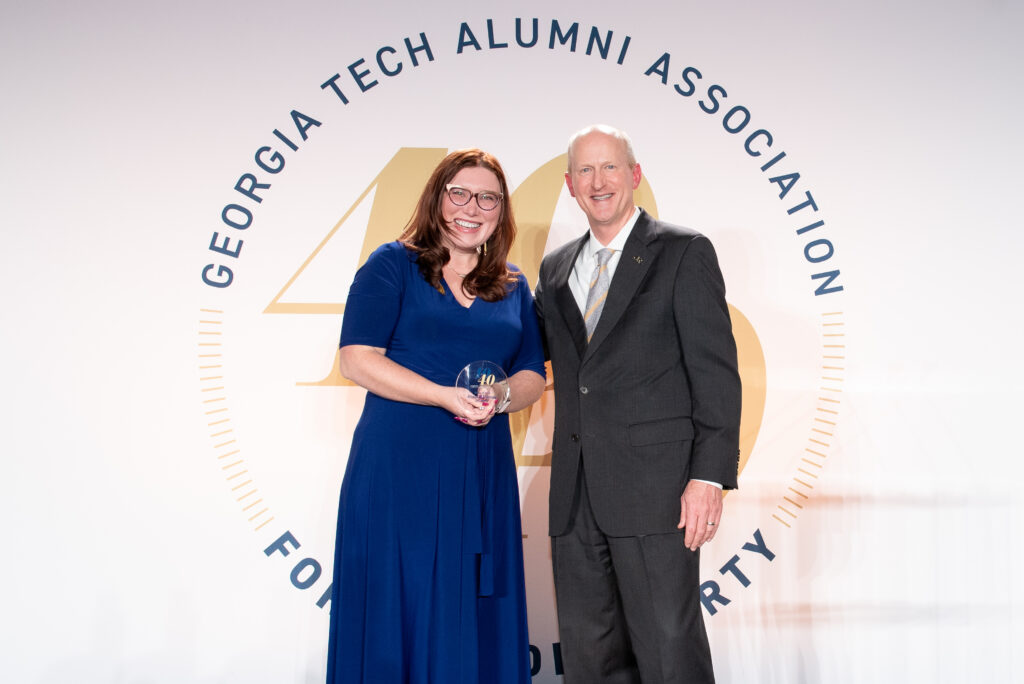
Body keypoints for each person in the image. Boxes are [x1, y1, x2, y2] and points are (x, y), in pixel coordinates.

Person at [326, 149, 547, 684]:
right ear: (437, 199)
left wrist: (501, 399)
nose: (473, 208)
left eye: (488, 197)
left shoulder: (514, 284)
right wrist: (444, 396)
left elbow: (533, 374)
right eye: (460, 194)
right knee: (399, 599)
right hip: (401, 468)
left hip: (481, 467)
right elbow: (357, 359)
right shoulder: (391, 264)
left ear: (502, 210)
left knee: (473, 603)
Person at [534, 125, 742, 684]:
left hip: (658, 493)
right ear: (570, 186)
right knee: (590, 658)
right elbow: (539, 359)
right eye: (584, 171)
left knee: (669, 654)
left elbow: (716, 375)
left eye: (609, 168)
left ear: (634, 175)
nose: (597, 182)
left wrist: (708, 476)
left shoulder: (683, 252)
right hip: (576, 498)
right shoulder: (554, 269)